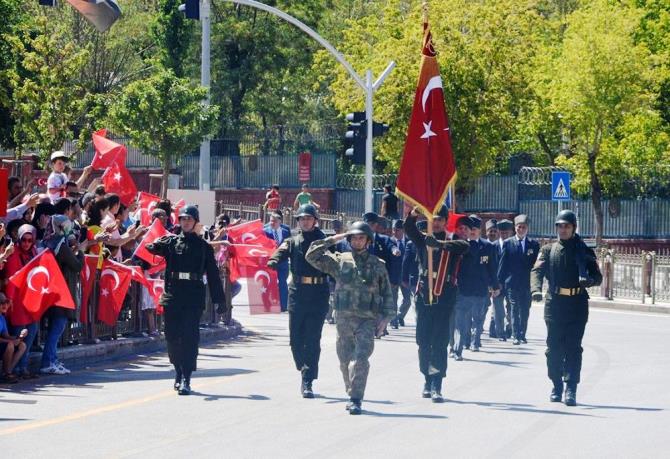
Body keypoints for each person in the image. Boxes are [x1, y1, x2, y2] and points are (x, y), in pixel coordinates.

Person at [306, 221, 395, 415]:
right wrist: (333, 239)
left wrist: (385, 319)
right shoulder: (339, 260)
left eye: (361, 237)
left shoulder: (378, 265)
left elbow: (387, 293)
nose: (357, 241)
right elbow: (311, 255)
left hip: (367, 320)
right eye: (353, 237)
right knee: (345, 361)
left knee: (360, 358)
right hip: (344, 319)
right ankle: (350, 388)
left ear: (368, 240)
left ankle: (356, 399)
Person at [145, 205, 227, 395]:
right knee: (172, 335)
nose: (186, 222)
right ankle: (178, 369)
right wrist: (160, 241)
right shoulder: (172, 243)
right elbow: (150, 248)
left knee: (190, 336)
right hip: (173, 294)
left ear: (195, 222)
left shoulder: (203, 247)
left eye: (189, 219)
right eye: (183, 219)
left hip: (193, 296)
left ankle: (186, 376)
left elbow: (213, 275)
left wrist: (219, 300)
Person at [531, 210, 602, 406]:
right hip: (554, 304)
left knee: (573, 348)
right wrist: (535, 290)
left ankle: (571, 388)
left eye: (567, 226)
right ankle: (556, 384)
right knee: (553, 349)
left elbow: (598, 276)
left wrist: (589, 280)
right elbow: (537, 271)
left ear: (574, 228)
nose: (563, 229)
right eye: (560, 226)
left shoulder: (584, 251)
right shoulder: (547, 250)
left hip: (577, 304)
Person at [404, 205, 469, 402]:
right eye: (434, 219)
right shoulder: (423, 239)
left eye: (441, 219)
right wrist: (414, 214)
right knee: (423, 340)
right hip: (425, 293)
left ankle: (436, 383)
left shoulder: (452, 241)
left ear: (445, 221)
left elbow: (465, 246)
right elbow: (409, 229)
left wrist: (440, 244)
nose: (438, 222)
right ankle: (426, 377)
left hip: (445, 294)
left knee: (439, 341)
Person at [267, 204, 329, 399]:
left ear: (315, 220)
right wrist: (274, 261)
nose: (305, 221)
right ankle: (302, 366)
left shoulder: (324, 241)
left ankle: (308, 379)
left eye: (309, 218)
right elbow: (280, 252)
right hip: (298, 293)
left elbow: (337, 260)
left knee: (312, 338)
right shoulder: (292, 241)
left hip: (318, 294)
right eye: (302, 219)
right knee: (295, 339)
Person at [40, 215, 84, 375]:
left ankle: (53, 359)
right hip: (60, 292)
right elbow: (77, 265)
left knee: (56, 328)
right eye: (65, 226)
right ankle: (48, 362)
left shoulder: (46, 242)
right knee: (57, 329)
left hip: (51, 290)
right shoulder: (60, 245)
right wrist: (80, 252)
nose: (68, 229)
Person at [454, 215, 500, 357]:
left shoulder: (488, 247)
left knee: (478, 318)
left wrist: (495, 286)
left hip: (481, 290)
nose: (473, 231)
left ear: (480, 230)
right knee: (461, 321)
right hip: (463, 289)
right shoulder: (460, 245)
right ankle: (458, 349)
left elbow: (493, 268)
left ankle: (475, 342)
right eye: (470, 229)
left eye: (475, 229)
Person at [4, 224, 40, 379]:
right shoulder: (13, 255)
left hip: (31, 301)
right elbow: (12, 280)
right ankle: (12, 370)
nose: (26, 243)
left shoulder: (34, 252)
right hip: (17, 304)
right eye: (24, 239)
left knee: (30, 335)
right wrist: (10, 300)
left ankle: (23, 367)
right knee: (19, 337)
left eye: (29, 240)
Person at [498, 215, 540, 345]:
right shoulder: (508, 243)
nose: (521, 229)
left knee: (525, 309)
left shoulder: (534, 244)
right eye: (519, 227)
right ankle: (515, 335)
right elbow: (502, 264)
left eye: (524, 227)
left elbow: (536, 266)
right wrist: (498, 282)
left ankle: (522, 334)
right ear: (515, 228)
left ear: (527, 229)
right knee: (514, 309)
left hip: (527, 284)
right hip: (512, 283)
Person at [263, 211, 291, 312]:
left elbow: (289, 245)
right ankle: (269, 304)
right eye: (271, 221)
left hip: (283, 262)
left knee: (283, 282)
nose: (272, 223)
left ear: (280, 222)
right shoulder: (265, 231)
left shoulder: (285, 231)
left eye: (274, 221)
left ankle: (283, 306)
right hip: (270, 261)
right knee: (270, 283)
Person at [0, 293, 27, 384]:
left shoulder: (2, 318)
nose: (5, 305)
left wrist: (19, 336)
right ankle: (6, 373)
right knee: (10, 345)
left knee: (22, 345)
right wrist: (11, 341)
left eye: (6, 302)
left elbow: (6, 335)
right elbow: (7, 340)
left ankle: (7, 372)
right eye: (1, 302)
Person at [390, 219, 411, 329]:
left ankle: (400, 316)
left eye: (397, 230)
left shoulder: (409, 241)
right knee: (393, 300)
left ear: (403, 230)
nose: (394, 232)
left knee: (408, 300)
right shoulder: (389, 242)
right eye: (393, 230)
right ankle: (393, 321)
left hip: (405, 277)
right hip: (393, 276)